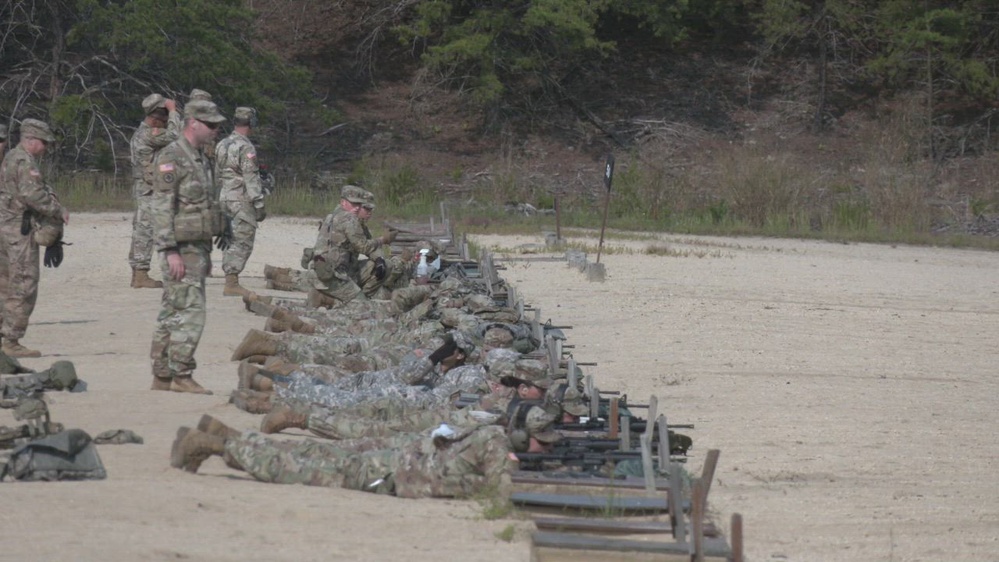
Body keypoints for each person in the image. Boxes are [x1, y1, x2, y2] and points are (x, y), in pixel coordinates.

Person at [169, 407, 561, 498]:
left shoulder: (489, 432)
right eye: (542, 441)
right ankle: (214, 445)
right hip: (391, 474)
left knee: (308, 457)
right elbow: (502, 490)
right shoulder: (494, 443)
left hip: (395, 465)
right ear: (524, 436)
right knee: (293, 470)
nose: (543, 448)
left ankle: (226, 436)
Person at [148, 101, 226, 394]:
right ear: (192, 122)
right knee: (191, 311)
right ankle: (181, 373)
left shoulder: (202, 158)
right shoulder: (172, 157)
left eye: (217, 125)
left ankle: (163, 375)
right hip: (180, 247)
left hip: (197, 245)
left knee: (173, 309)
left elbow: (203, 204)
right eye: (211, 125)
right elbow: (162, 207)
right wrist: (169, 251)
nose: (215, 130)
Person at [0, 119, 69, 358]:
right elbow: (32, 195)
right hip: (20, 231)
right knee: (23, 284)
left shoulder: (10, 156)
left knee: (5, 283)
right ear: (31, 140)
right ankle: (11, 340)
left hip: (6, 228)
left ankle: (5, 334)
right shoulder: (24, 161)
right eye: (43, 143)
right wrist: (57, 211)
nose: (46, 148)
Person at [307, 185, 396, 306]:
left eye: (359, 205)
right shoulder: (348, 219)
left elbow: (368, 243)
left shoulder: (333, 216)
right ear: (343, 202)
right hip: (333, 275)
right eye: (354, 204)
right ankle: (332, 299)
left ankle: (352, 296)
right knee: (361, 306)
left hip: (336, 270)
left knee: (385, 264)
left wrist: (379, 258)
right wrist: (383, 240)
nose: (357, 208)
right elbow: (363, 246)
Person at [128, 94, 181, 289]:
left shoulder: (140, 133)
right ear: (155, 118)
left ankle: (137, 273)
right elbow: (176, 135)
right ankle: (140, 274)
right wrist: (174, 111)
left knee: (141, 229)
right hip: (149, 189)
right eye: (164, 119)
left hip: (144, 187)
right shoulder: (148, 134)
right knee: (145, 230)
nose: (166, 123)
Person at [216, 107, 265, 297]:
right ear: (251, 123)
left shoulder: (222, 144)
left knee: (229, 238)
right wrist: (259, 203)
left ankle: (230, 278)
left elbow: (219, 172)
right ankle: (232, 281)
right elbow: (250, 177)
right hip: (240, 199)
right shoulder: (246, 147)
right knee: (243, 239)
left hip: (225, 196)